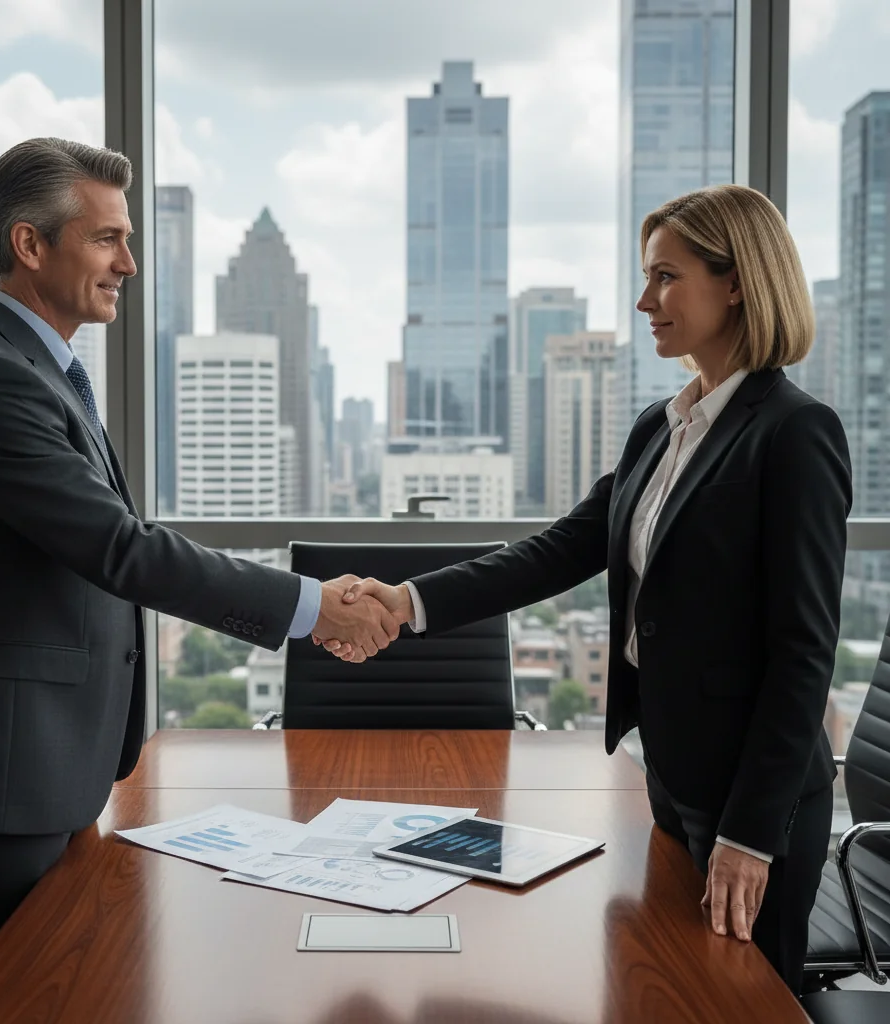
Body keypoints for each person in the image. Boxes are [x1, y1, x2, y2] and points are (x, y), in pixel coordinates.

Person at [0, 137, 396, 1010]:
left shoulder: (35, 373)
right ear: (29, 244)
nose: (128, 263)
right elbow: (121, 549)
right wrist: (313, 607)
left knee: (55, 992)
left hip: (44, 756)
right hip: (3, 765)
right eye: (106, 239)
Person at [320, 184, 850, 994]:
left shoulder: (794, 433)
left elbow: (804, 653)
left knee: (741, 1002)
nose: (646, 301)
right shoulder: (662, 425)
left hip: (754, 799)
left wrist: (750, 834)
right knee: (672, 988)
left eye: (666, 277)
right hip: (671, 773)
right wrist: (408, 600)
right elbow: (562, 549)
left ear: (736, 281)